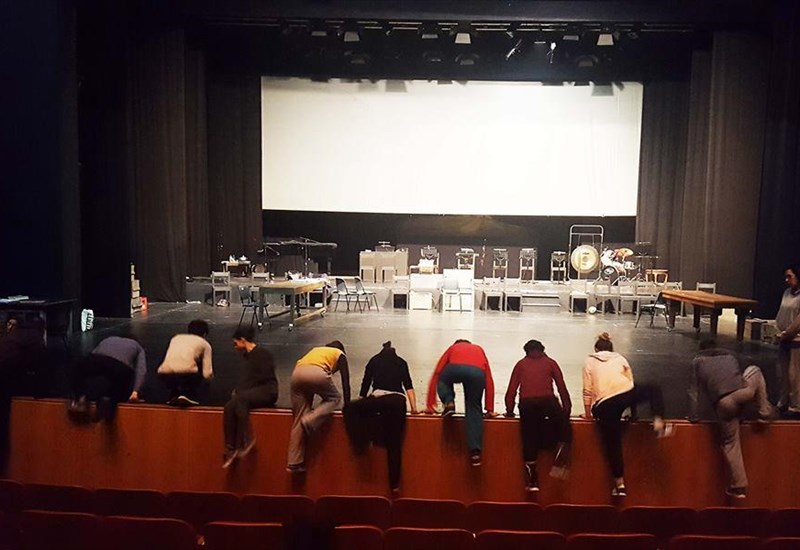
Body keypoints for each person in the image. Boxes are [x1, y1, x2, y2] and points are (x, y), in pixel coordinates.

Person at [582, 332, 673, 497]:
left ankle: (620, 484)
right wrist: (633, 414)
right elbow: (630, 383)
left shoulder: (590, 361)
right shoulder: (620, 358)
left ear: (596, 349)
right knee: (653, 389)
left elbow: (587, 390)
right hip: (625, 393)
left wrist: (588, 413)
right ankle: (659, 422)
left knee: (613, 444)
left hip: (605, 404)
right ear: (611, 348)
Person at [688, 340, 777, 499]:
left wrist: (694, 415)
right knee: (755, 370)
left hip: (724, 404)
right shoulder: (730, 355)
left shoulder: (697, 362)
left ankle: (739, 487)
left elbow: (693, 391)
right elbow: (740, 378)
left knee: (730, 443)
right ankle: (764, 412)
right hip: (742, 395)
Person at [344, 341, 418, 494]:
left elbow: (366, 382)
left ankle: (362, 443)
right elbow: (408, 385)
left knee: (349, 409)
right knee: (395, 445)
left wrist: (362, 400)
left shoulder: (374, 360)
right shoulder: (401, 362)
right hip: (398, 401)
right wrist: (414, 408)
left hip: (378, 399)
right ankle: (394, 485)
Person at [504, 339, 572, 491]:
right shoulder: (550, 363)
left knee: (529, 437)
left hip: (527, 404)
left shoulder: (521, 364)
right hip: (548, 402)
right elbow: (561, 387)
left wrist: (509, 411)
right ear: (543, 350)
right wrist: (566, 412)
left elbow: (511, 390)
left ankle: (531, 480)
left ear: (526, 352)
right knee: (565, 431)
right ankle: (559, 462)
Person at [426, 339, 496, 466]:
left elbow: (437, 372)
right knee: (474, 406)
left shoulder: (452, 348)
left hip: (455, 369)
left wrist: (430, 404)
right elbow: (489, 379)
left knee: (443, 378)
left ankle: (449, 403)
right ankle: (475, 452)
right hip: (477, 373)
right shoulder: (479, 349)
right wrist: (490, 408)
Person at [287, 341, 350, 472]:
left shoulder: (316, 350)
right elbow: (346, 383)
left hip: (297, 374)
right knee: (334, 398)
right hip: (315, 373)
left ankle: (294, 463)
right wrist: (348, 407)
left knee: (298, 419)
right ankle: (310, 420)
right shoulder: (340, 354)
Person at [222, 327, 278, 469]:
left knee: (241, 399)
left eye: (236, 343)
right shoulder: (247, 357)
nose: (235, 347)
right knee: (229, 406)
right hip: (252, 391)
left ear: (243, 340)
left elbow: (265, 377)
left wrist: (243, 391)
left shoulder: (262, 353)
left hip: (267, 390)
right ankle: (230, 447)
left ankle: (246, 439)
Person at [69, 335, 147, 421]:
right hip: (119, 367)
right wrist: (135, 391)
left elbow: (92, 355)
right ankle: (108, 404)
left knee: (80, 369)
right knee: (119, 381)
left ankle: (80, 398)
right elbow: (141, 370)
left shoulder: (108, 339)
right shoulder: (137, 346)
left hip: (97, 359)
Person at [157, 320, 213, 406]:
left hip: (164, 373)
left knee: (179, 365)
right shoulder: (205, 344)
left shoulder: (176, 338)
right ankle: (189, 395)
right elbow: (207, 373)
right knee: (197, 366)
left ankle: (174, 395)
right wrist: (208, 384)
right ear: (205, 334)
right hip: (187, 375)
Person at [776, 265, 800, 413]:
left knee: (794, 375)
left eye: (790, 276)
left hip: (796, 340)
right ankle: (783, 400)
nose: (787, 280)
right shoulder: (786, 293)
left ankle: (796, 404)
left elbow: (798, 321)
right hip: (783, 338)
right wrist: (779, 331)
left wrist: (787, 333)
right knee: (782, 373)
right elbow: (781, 313)